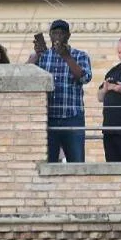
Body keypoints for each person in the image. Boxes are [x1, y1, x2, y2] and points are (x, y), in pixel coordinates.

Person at [26, 19, 92, 163]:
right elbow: (25, 76)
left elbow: (85, 78)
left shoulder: (80, 55)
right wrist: (36, 55)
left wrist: (66, 56)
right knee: (47, 164)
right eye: (55, 33)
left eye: (62, 33)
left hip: (72, 117)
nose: (58, 36)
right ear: (50, 35)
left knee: (77, 163)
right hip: (48, 118)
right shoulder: (42, 55)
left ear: (68, 35)